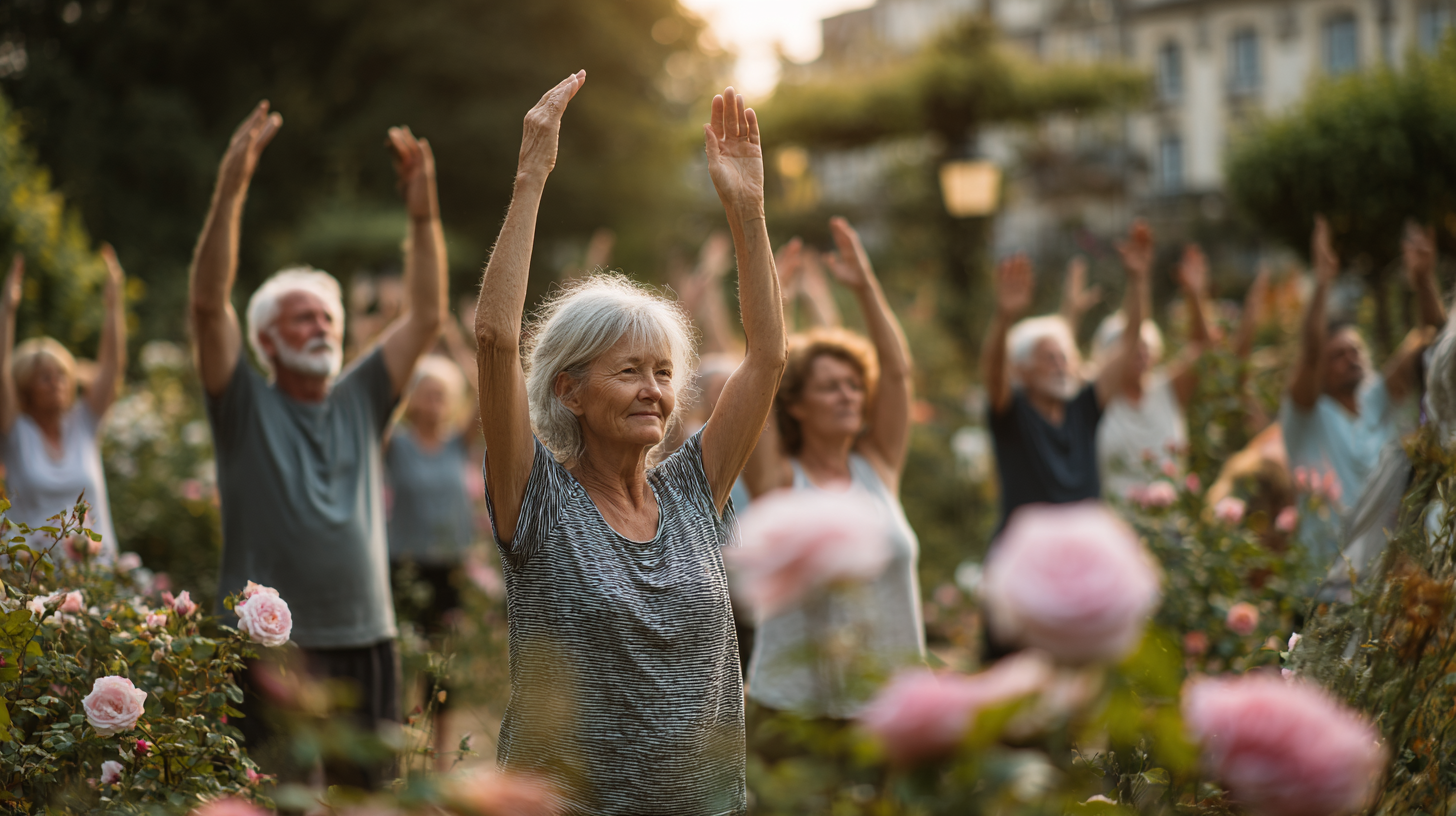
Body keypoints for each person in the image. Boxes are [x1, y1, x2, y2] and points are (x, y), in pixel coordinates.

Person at [473, 74, 785, 815]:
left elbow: (768, 358)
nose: (653, 389)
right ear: (568, 391)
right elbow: (492, 339)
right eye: (628, 372)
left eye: (664, 373)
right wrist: (530, 179)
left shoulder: (693, 490)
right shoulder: (539, 497)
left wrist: (748, 211)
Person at [188, 102, 447, 789]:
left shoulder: (362, 397)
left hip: (368, 640)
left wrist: (421, 219)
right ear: (266, 340)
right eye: (302, 318)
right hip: (269, 653)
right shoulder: (241, 403)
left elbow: (426, 314)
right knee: (274, 802)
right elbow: (209, 304)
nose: (321, 327)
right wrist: (232, 187)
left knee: (370, 802)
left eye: (328, 317)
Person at [742, 216, 923, 719]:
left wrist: (866, 287)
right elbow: (761, 371)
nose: (848, 395)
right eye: (830, 386)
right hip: (797, 712)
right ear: (795, 405)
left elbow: (897, 373)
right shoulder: (777, 479)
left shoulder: (878, 467)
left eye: (853, 384)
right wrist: (768, 301)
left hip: (890, 709)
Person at [1282, 217, 1443, 571]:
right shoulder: (1306, 415)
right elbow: (1308, 353)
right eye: (1336, 355)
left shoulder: (1375, 398)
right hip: (1323, 590)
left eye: (1354, 350)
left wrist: (1422, 280)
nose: (1349, 358)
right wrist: (1322, 282)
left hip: (1383, 586)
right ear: (1320, 370)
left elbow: (1432, 335)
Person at [982, 222, 1151, 531]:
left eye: (1064, 358)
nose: (1060, 365)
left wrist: (1138, 280)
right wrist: (1004, 316)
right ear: (1022, 371)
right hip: (1029, 557)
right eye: (1049, 359)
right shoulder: (1013, 413)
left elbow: (1128, 343)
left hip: (1085, 550)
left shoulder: (1084, 407)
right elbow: (992, 373)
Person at [0, 246, 127, 559]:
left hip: (95, 584)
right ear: (25, 387)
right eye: (44, 377)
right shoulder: (16, 431)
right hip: (31, 586)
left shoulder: (84, 423)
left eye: (61, 375)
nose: (56, 382)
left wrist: (113, 305)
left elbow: (111, 367)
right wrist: (7, 311)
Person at [384, 352, 476, 769]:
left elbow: (489, 396)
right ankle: (396, 752)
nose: (435, 400)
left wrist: (466, 348)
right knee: (402, 660)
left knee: (443, 665)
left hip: (448, 570)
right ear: (411, 397)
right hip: (404, 569)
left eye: (443, 393)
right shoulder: (397, 444)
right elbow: (376, 406)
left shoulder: (460, 443)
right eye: (427, 391)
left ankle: (438, 763)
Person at [1094, 243, 1216, 498]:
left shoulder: (1166, 390)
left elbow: (1203, 352)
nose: (1141, 351)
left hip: (1171, 531)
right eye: (1131, 346)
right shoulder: (1095, 401)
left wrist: (1195, 295)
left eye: (1146, 345)